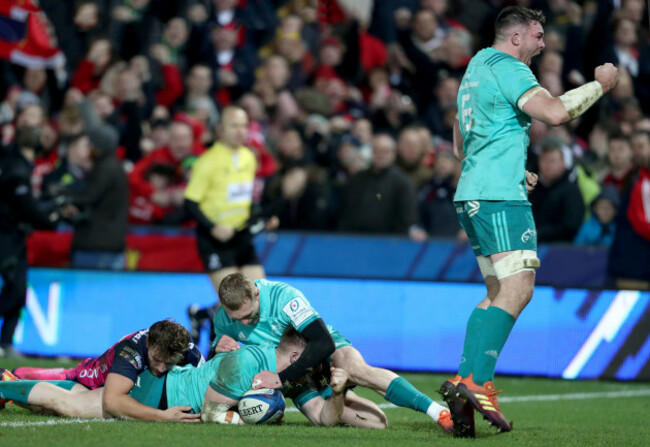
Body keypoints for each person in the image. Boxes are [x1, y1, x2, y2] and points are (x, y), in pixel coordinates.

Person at [441, 6, 619, 438]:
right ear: (516, 36)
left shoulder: (476, 67)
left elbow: (460, 143)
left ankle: (464, 385)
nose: (543, 44)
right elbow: (556, 113)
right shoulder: (509, 67)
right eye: (538, 36)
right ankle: (476, 381)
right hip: (501, 199)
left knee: (497, 292)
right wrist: (601, 84)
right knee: (519, 289)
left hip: (472, 194)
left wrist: (508, 165)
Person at [210, 273, 453, 433]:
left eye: (249, 316)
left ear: (256, 293)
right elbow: (218, 364)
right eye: (236, 320)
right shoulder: (223, 319)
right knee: (377, 424)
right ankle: (337, 392)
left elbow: (323, 342)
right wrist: (217, 349)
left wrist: (282, 378)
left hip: (316, 353)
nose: (243, 324)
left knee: (355, 369)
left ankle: (439, 412)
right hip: (293, 376)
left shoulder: (283, 297)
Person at [184, 106, 277, 345]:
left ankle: (202, 315)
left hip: (240, 235)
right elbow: (190, 202)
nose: (240, 131)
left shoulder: (248, 158)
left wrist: (262, 219)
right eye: (234, 125)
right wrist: (213, 226)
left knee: (260, 297)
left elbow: (243, 199)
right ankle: (216, 355)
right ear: (220, 129)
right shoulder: (207, 161)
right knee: (232, 300)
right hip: (214, 237)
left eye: (244, 125)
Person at [4, 320, 203, 421]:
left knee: (49, 409)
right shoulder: (131, 351)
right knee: (59, 397)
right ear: (149, 343)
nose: (161, 368)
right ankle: (8, 379)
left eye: (168, 364)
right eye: (157, 360)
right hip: (89, 378)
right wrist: (162, 416)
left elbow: (207, 377)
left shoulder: (187, 349)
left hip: (107, 379)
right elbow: (112, 402)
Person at [0, 125, 61, 358]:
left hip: (15, 235)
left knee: (18, 289)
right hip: (7, 236)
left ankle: (5, 343)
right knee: (15, 291)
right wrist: (49, 221)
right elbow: (24, 206)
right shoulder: (16, 169)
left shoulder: (17, 165)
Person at [529, 139, 586, 243]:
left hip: (560, 250)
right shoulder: (532, 188)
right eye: (544, 160)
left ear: (563, 163)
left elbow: (570, 227)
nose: (548, 165)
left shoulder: (571, 191)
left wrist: (539, 233)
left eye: (552, 161)